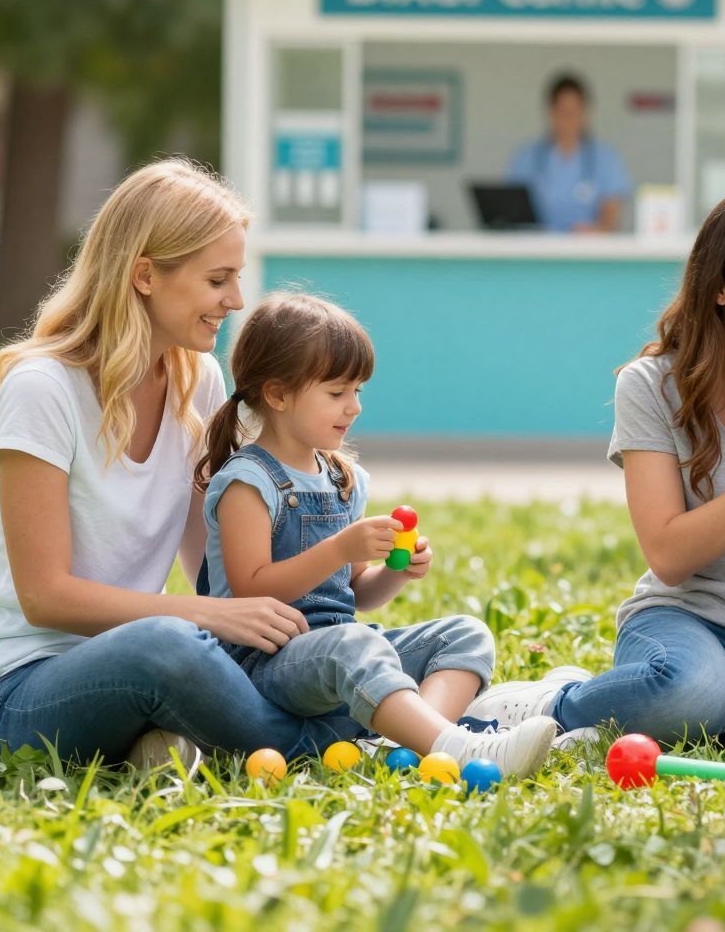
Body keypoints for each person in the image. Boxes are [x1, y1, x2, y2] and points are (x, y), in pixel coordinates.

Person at [0, 158, 365, 770]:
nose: (236, 300)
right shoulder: (42, 390)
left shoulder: (197, 381)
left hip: (149, 659)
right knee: (168, 644)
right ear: (145, 275)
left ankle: (523, 707)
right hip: (21, 695)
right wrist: (208, 615)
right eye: (217, 279)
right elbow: (45, 597)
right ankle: (354, 741)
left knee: (359, 649)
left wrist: (314, 613)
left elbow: (218, 568)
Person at [464, 185, 725, 748]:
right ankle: (557, 702)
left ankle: (664, 715)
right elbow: (670, 556)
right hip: (685, 620)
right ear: (722, 290)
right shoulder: (650, 385)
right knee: (687, 694)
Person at [197, 292, 558, 775]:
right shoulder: (249, 481)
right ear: (278, 394)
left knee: (464, 635)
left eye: (358, 392)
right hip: (262, 664)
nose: (354, 408)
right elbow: (250, 590)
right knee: (355, 645)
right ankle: (459, 748)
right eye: (336, 393)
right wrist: (339, 548)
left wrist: (397, 572)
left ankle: (405, 743)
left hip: (340, 649)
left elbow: (356, 593)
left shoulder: (344, 478)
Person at [504, 72, 634, 234]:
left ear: (586, 113)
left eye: (574, 112)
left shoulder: (606, 159)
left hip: (587, 253)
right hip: (536, 252)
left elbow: (610, 218)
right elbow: (511, 215)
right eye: (562, 111)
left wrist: (595, 231)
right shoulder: (527, 157)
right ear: (551, 112)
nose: (568, 119)